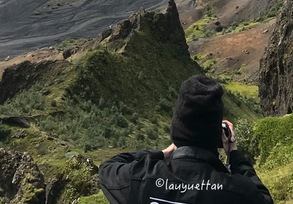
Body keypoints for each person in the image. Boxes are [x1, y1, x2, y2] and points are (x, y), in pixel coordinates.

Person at [98, 75, 273, 204]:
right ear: (219, 135)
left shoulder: (140, 179)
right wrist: (233, 153)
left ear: (177, 128)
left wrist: (164, 153)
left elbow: (107, 168)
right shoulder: (236, 191)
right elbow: (263, 198)